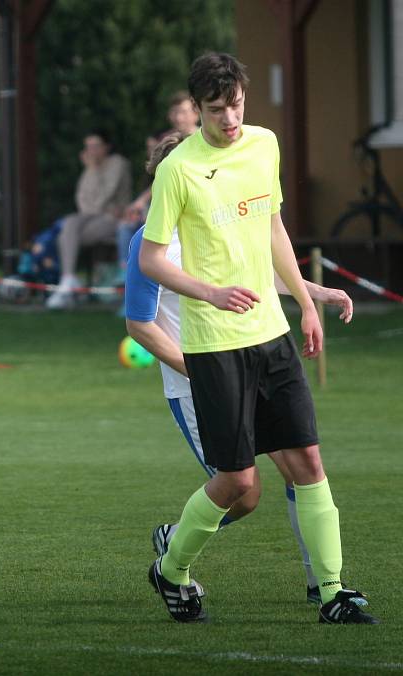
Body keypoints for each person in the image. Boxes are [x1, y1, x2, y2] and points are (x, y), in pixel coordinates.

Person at [139, 52, 378, 624]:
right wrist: (208, 291)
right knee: (237, 481)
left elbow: (272, 226)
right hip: (214, 344)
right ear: (196, 110)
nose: (230, 120)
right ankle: (171, 570)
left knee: (309, 463)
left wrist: (303, 302)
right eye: (217, 110)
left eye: (237, 105)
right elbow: (151, 260)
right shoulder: (179, 170)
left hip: (271, 336)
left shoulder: (264, 144)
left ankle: (331, 592)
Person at [116, 92, 200, 277]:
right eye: (175, 112)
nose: (179, 117)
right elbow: (159, 176)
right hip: (161, 196)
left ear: (196, 113)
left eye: (184, 112)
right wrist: (140, 202)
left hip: (187, 203)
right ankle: (125, 271)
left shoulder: (203, 140)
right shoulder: (165, 140)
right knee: (126, 226)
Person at [45, 130, 131, 309]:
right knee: (69, 222)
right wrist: (91, 171)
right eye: (88, 147)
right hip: (93, 216)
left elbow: (107, 194)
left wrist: (92, 169)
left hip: (114, 218)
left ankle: (68, 282)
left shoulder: (117, 163)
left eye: (95, 146)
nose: (91, 151)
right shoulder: (90, 167)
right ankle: (68, 278)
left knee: (66, 237)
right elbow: (82, 198)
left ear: (106, 147)